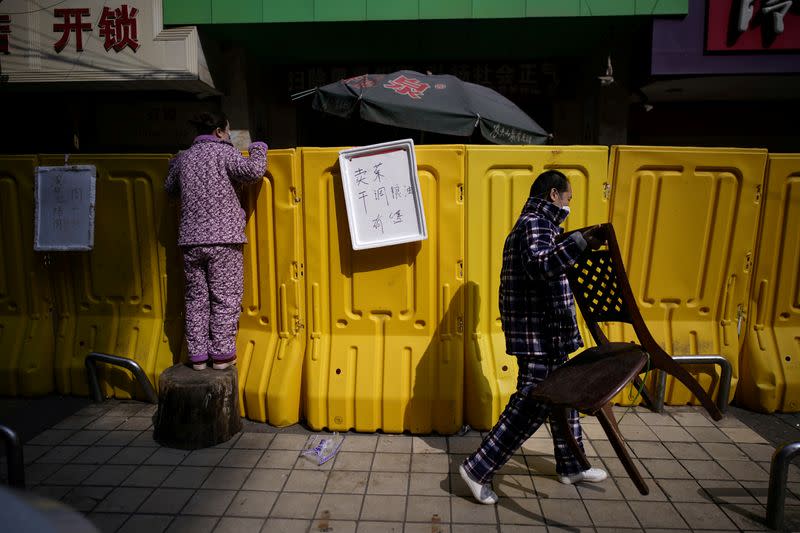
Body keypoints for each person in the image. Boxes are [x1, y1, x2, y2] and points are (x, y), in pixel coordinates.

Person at [459, 169, 607, 505]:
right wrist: (580, 241)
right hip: (539, 332)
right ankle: (478, 468)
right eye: (568, 199)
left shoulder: (540, 226)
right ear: (553, 195)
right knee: (533, 401)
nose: (569, 205)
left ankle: (572, 465)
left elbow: (548, 262)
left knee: (561, 394)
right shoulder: (534, 224)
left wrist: (576, 242)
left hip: (543, 331)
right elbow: (542, 265)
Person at [164, 111, 268, 371]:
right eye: (229, 131)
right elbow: (253, 172)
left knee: (195, 298)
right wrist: (258, 148)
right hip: (224, 240)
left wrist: (173, 165)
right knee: (225, 297)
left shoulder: (184, 159)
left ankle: (197, 356)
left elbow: (169, 189)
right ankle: (221, 356)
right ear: (220, 131)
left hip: (190, 240)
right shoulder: (225, 153)